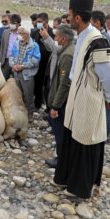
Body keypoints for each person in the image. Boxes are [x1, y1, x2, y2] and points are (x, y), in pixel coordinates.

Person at [54, 0, 110, 199]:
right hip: (75, 98)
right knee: (72, 138)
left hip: (89, 100)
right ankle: (68, 180)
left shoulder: (97, 41)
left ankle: (81, 189)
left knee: (85, 141)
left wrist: (109, 98)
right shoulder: (81, 36)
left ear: (78, 18)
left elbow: (108, 78)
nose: (68, 18)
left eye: (70, 15)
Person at [42, 24, 75, 168]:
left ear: (64, 38)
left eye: (56, 36)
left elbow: (64, 84)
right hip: (65, 102)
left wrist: (55, 106)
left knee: (60, 132)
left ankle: (62, 160)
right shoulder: (69, 49)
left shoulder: (67, 55)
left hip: (62, 103)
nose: (55, 39)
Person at [9, 26, 40, 122]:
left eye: (21, 33)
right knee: (19, 94)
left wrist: (22, 66)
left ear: (26, 35)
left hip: (27, 74)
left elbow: (36, 60)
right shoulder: (17, 44)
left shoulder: (34, 46)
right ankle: (21, 113)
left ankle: (30, 113)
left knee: (28, 95)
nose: (19, 35)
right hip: (16, 73)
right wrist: (13, 65)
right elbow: (11, 56)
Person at [91, 10, 110, 141]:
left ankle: (107, 132)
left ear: (97, 23)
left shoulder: (103, 38)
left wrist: (109, 93)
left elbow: (107, 66)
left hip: (103, 78)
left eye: (91, 22)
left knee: (106, 105)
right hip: (103, 78)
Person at [31, 12, 55, 109]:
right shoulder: (34, 33)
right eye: (38, 22)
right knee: (37, 84)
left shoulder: (53, 33)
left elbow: (54, 47)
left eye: (40, 22)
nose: (38, 24)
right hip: (38, 63)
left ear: (47, 21)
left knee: (48, 86)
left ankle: (49, 107)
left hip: (49, 63)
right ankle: (37, 104)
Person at [0, 14, 21, 80]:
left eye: (14, 23)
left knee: (16, 81)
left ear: (19, 24)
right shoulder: (5, 33)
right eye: (11, 23)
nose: (12, 25)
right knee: (4, 80)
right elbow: (2, 48)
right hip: (6, 61)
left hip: (16, 62)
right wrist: (1, 61)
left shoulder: (22, 34)